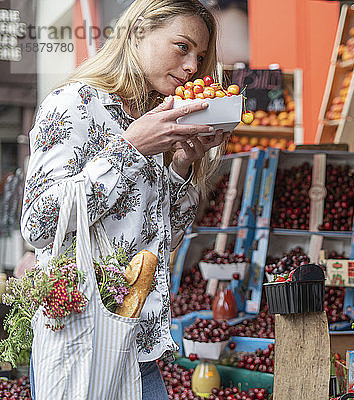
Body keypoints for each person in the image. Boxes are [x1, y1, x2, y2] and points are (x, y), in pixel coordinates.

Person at [20, 0, 226, 398]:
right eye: (182, 47)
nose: (191, 67)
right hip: (81, 341)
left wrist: (182, 166)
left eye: (199, 57)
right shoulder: (74, 104)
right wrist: (130, 148)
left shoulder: (158, 118)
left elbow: (163, 239)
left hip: (139, 343)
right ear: (138, 32)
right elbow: (39, 225)